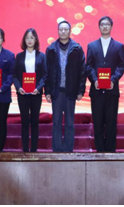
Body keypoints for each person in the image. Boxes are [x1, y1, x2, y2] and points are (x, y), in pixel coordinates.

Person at [86, 16, 124, 152]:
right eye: (102, 24)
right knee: (97, 123)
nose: (105, 26)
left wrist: (113, 80)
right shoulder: (92, 46)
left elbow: (121, 66)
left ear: (111, 27)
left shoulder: (119, 46)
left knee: (111, 123)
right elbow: (88, 66)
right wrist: (94, 80)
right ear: (99, 27)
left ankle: (110, 153)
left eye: (107, 24)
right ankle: (99, 152)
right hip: (96, 91)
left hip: (112, 91)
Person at [45, 20, 86, 153]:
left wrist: (80, 90)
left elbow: (82, 71)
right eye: (61, 29)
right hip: (56, 91)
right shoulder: (51, 49)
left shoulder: (77, 49)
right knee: (56, 122)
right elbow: (47, 72)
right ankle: (57, 150)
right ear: (58, 31)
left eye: (65, 29)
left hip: (70, 91)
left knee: (69, 122)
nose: (63, 31)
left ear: (70, 31)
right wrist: (47, 91)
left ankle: (68, 150)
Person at [13, 28, 48, 152]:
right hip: (22, 94)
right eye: (27, 38)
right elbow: (15, 75)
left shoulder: (41, 56)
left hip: (36, 94)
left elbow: (45, 75)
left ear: (36, 40)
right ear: (24, 40)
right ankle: (25, 150)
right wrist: (19, 88)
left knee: (34, 122)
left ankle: (33, 150)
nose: (29, 40)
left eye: (32, 38)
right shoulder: (19, 56)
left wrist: (38, 88)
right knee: (24, 122)